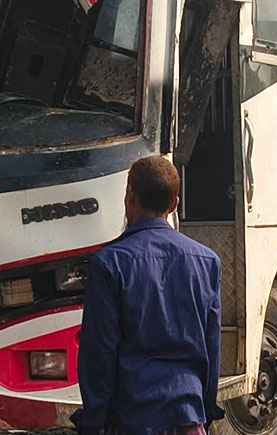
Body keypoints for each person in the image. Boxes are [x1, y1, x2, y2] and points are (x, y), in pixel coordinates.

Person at [72, 155, 225, 435]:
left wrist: (93, 422)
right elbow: (212, 347)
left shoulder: (109, 263)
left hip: (132, 418)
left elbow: (99, 353)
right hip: (188, 417)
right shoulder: (207, 261)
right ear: (175, 204)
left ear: (129, 198)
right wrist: (204, 413)